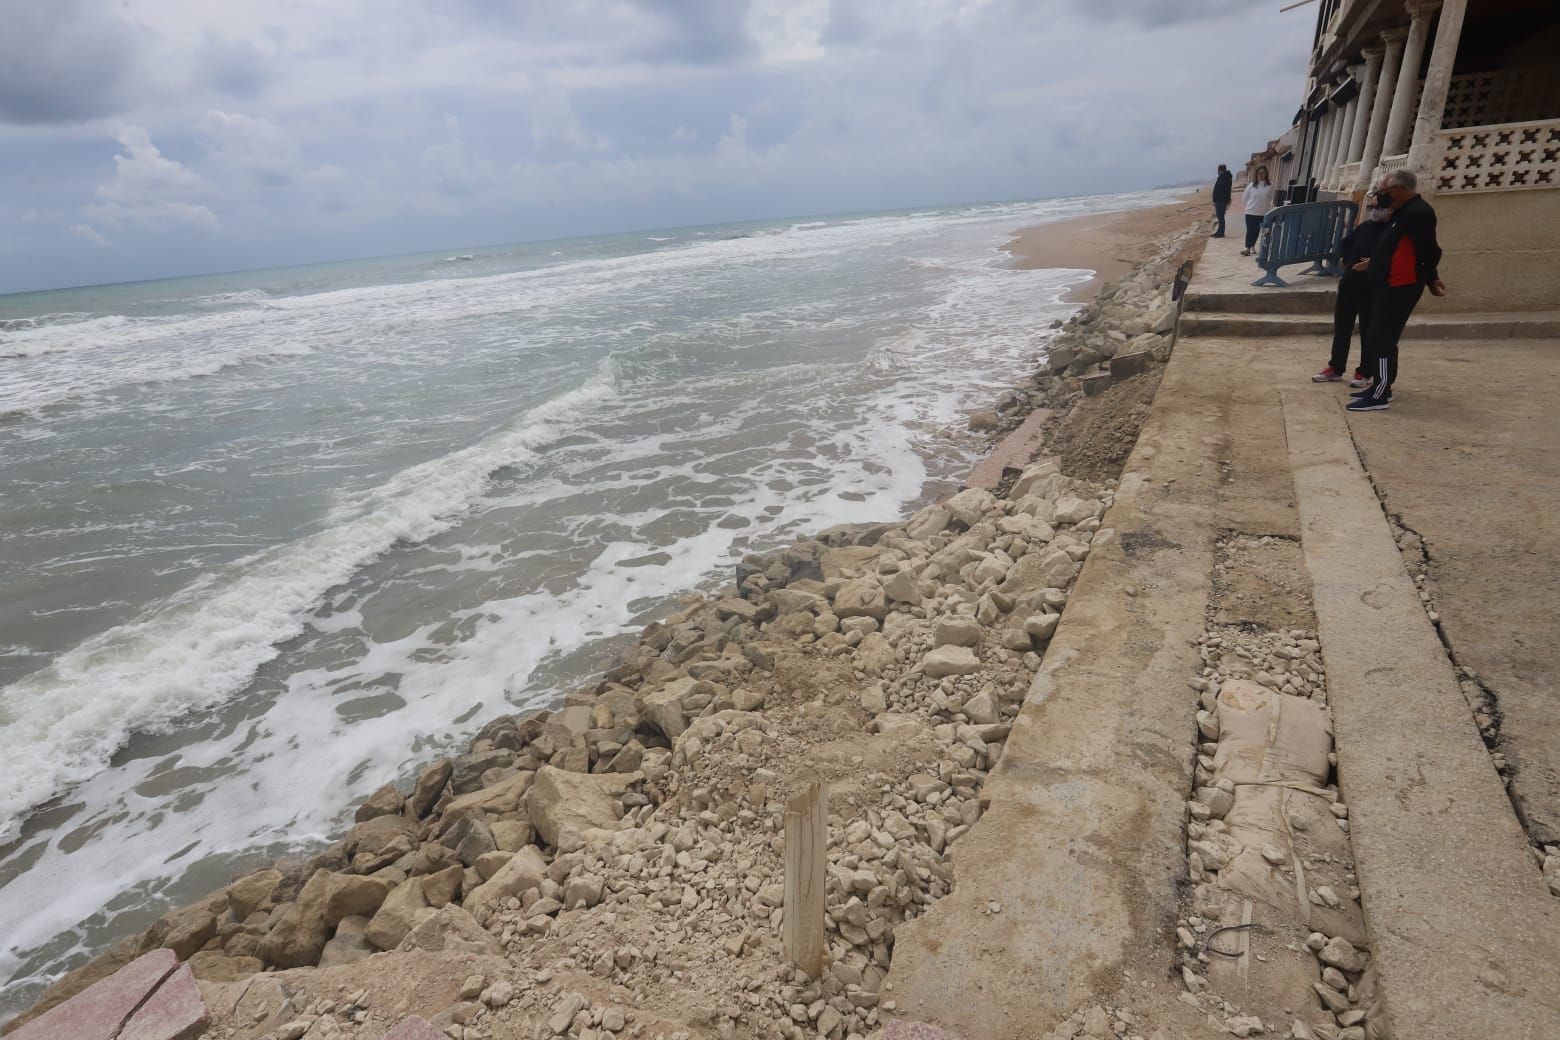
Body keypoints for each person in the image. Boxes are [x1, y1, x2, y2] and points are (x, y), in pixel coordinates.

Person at [1347, 169, 1446, 412]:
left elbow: (1429, 251)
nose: (1380, 197)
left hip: (1400, 286)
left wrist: (1432, 279)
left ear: (1399, 190)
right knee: (1377, 335)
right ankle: (1379, 387)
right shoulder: (1401, 213)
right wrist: (1373, 263)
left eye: (1383, 192)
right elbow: (1394, 247)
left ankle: (1380, 393)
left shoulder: (1419, 214)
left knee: (1383, 338)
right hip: (1387, 283)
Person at [1312, 200, 1392, 384]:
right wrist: (1349, 262)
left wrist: (1374, 263)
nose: (1374, 211)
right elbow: (1346, 244)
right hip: (1350, 284)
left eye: (1379, 207)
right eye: (1372, 207)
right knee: (1342, 328)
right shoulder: (1364, 227)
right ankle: (1336, 367)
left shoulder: (1392, 231)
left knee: (1367, 330)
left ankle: (1365, 371)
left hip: (1371, 287)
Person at [1240, 166, 1276, 256]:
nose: (1261, 175)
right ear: (1256, 174)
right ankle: (1247, 248)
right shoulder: (1252, 185)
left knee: (1257, 231)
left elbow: (1272, 198)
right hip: (1250, 212)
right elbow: (1244, 198)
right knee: (1250, 230)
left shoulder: (1270, 185)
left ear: (1266, 174)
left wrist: (1269, 207)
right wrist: (1250, 205)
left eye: (1262, 172)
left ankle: (1252, 246)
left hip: (1263, 213)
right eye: (1259, 173)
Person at [1211, 164, 1233, 238]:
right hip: (1220, 200)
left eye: (1218, 170)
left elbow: (1222, 190)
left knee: (1220, 217)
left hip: (1221, 201)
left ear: (1220, 170)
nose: (1217, 171)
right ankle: (1219, 231)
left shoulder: (1224, 178)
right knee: (1220, 217)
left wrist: (1218, 198)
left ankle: (1221, 233)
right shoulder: (1223, 177)